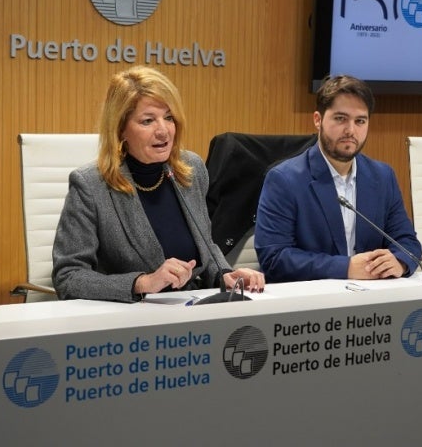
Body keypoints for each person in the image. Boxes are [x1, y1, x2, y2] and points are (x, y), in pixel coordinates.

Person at [52, 66, 265, 302]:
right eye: (147, 121)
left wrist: (226, 275)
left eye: (169, 117)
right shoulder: (91, 186)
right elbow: (68, 277)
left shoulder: (190, 169)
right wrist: (143, 283)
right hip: (131, 320)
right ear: (121, 128)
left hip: (191, 310)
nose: (163, 131)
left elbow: (207, 245)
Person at [254, 74, 421, 282]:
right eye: (340, 119)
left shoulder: (383, 176)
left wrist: (399, 261)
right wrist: (346, 268)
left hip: (375, 300)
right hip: (310, 303)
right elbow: (274, 258)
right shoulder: (284, 180)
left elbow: (407, 242)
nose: (351, 130)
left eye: (360, 121)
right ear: (318, 120)